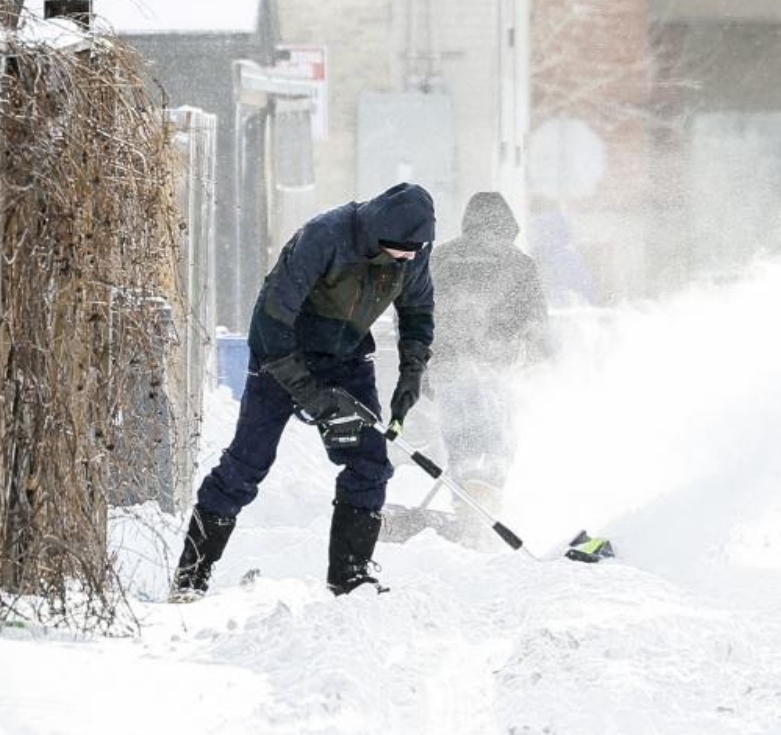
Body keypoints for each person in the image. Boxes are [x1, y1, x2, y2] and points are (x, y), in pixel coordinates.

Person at [171, 182, 435, 599]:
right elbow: (271, 323)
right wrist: (314, 397)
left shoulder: (414, 252)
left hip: (347, 357)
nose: (409, 258)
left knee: (370, 465)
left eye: (417, 251)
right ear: (379, 237)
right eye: (401, 251)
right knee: (247, 464)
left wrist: (411, 375)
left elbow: (418, 312)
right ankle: (190, 576)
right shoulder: (325, 236)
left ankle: (350, 578)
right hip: (281, 354)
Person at [379, 192, 549, 548]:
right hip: (497, 369)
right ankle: (481, 520)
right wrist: (541, 363)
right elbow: (536, 324)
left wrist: (419, 367)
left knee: (462, 441)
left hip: (446, 367)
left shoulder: (437, 259)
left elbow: (410, 313)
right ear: (507, 225)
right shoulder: (519, 263)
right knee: (498, 442)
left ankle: (467, 511)